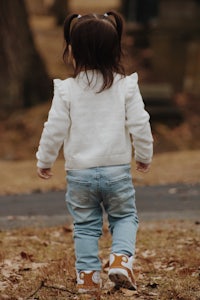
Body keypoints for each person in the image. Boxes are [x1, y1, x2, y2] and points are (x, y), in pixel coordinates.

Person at [36, 11, 153, 294]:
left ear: (72, 51)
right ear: (115, 50)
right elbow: (140, 123)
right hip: (116, 171)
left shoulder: (66, 90)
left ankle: (87, 278)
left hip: (80, 174)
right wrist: (144, 154)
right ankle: (121, 259)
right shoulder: (126, 87)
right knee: (124, 217)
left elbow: (54, 128)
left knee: (86, 226)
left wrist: (45, 159)